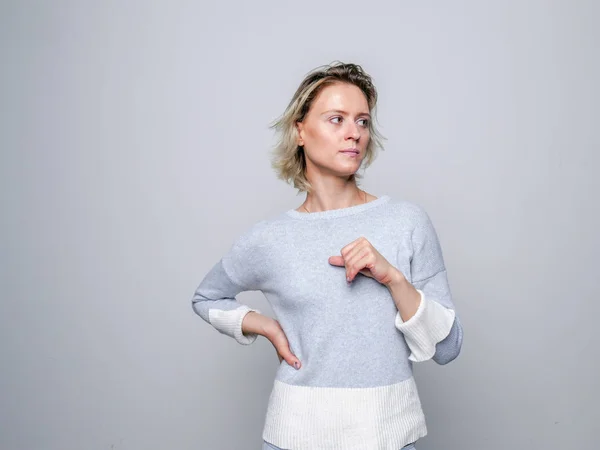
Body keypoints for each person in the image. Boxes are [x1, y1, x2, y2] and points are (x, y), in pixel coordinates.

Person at [191, 62, 463, 450]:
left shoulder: (407, 222)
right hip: (294, 437)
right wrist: (265, 326)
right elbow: (206, 297)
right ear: (300, 131)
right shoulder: (270, 239)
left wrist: (393, 278)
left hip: (387, 438)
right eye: (336, 119)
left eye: (363, 121)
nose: (354, 133)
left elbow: (449, 348)